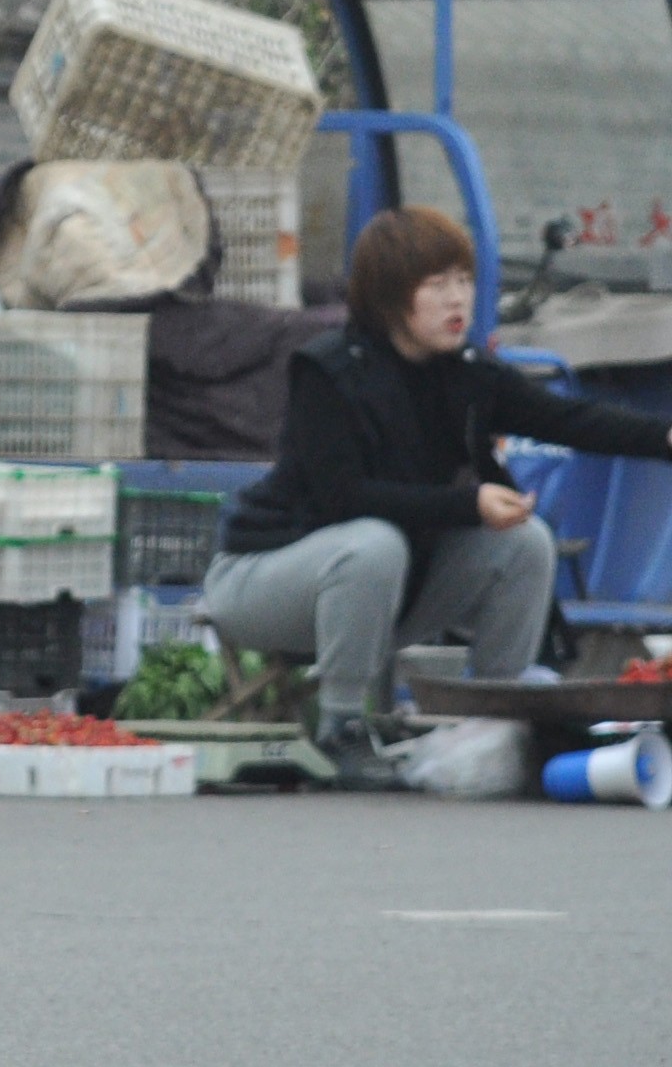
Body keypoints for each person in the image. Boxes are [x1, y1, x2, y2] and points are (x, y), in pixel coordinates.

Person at [207, 204, 671, 787]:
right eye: (437, 285)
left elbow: (571, 420)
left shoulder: (467, 372)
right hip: (267, 579)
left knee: (524, 540)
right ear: (391, 296)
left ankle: (495, 722)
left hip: (385, 587)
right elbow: (344, 499)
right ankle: (342, 729)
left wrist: (664, 437)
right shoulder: (328, 372)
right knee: (373, 543)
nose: (458, 300)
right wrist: (468, 504)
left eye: (465, 281)